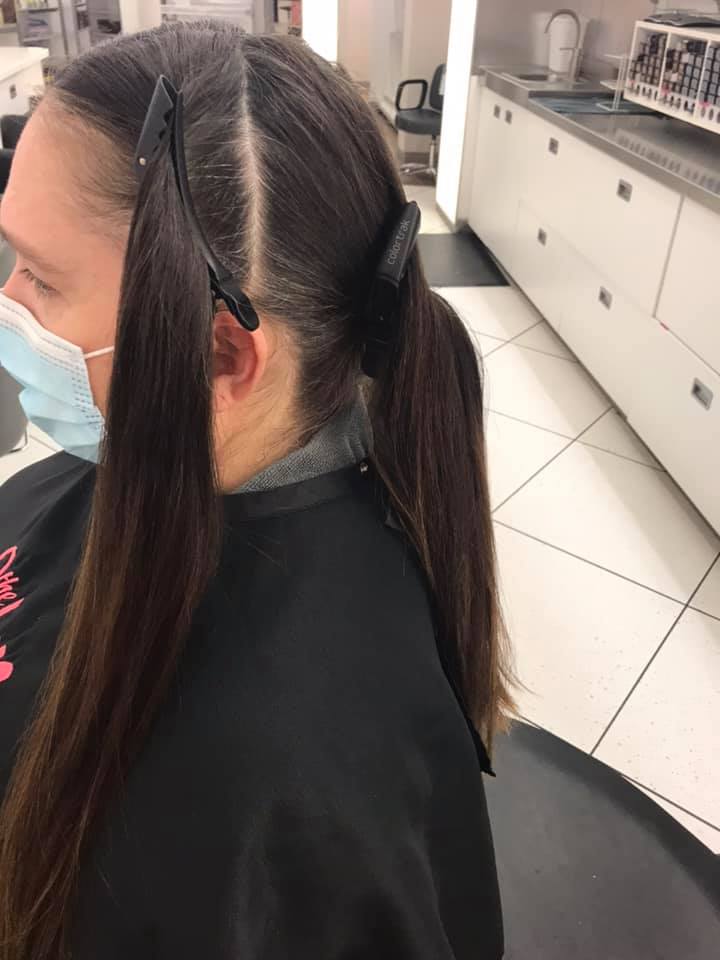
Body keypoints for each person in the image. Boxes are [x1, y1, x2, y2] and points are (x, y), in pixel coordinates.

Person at [0, 21, 513, 960]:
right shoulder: (128, 456)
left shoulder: (292, 776)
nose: (8, 301)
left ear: (222, 357)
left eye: (40, 275)